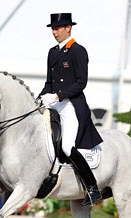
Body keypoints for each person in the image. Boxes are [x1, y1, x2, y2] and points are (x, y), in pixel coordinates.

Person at [39, 13, 103, 206]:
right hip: (54, 102)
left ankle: (92, 188)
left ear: (68, 28)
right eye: (52, 29)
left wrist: (58, 96)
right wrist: (40, 98)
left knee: (67, 146)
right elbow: (49, 82)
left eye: (58, 28)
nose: (54, 32)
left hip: (71, 105)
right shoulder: (52, 52)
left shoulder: (77, 51)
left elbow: (81, 83)